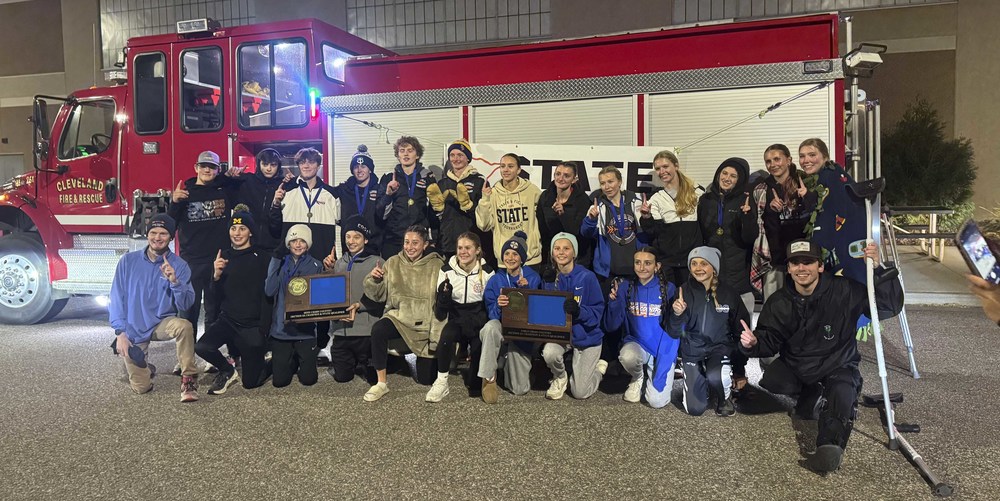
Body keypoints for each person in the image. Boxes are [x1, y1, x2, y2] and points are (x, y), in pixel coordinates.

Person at [739, 238, 902, 472]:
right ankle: (812, 393)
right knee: (773, 379)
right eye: (795, 263)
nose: (802, 268)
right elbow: (769, 342)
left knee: (843, 389)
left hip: (838, 363)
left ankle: (830, 446)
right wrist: (753, 343)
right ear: (789, 268)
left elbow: (887, 307)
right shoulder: (779, 301)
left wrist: (878, 268)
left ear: (820, 266)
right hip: (799, 366)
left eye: (808, 262)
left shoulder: (845, 289)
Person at [109, 214, 199, 402]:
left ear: (171, 237)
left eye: (163, 233)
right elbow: (117, 297)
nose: (157, 237)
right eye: (153, 232)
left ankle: (188, 378)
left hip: (162, 323)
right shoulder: (128, 261)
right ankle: (145, 367)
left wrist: (175, 282)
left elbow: (186, 305)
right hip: (134, 327)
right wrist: (120, 333)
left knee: (185, 326)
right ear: (147, 234)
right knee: (142, 388)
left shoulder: (179, 265)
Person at [362, 225, 446, 402]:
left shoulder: (437, 265)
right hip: (399, 318)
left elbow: (441, 305)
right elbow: (379, 295)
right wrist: (374, 280)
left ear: (425, 245)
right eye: (407, 242)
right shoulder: (392, 262)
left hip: (424, 325)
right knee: (379, 329)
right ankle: (381, 383)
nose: (410, 247)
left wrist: (435, 337)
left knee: (426, 380)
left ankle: (412, 360)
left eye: (415, 243)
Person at [271, 147, 340, 357]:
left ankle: (321, 344)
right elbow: (274, 226)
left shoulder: (331, 193)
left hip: (321, 256)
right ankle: (296, 340)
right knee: (295, 298)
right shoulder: (288, 191)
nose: (307, 166)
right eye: (303, 163)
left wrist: (335, 253)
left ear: (318, 166)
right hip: (295, 258)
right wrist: (275, 203)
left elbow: (338, 226)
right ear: (299, 166)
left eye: (311, 163)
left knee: (323, 302)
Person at [195, 206, 272, 394]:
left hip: (252, 325)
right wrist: (215, 276)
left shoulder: (263, 257)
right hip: (228, 321)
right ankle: (227, 369)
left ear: (250, 232)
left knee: (251, 383)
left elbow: (270, 295)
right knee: (202, 347)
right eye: (233, 229)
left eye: (242, 229)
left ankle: (271, 358)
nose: (237, 233)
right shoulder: (223, 258)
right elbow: (214, 298)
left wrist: (265, 328)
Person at [696, 157, 758, 390]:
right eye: (724, 173)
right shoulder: (706, 200)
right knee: (711, 324)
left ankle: (739, 369)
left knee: (740, 326)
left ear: (740, 180)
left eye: (733, 176)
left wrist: (746, 217)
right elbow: (703, 234)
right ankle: (710, 366)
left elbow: (750, 238)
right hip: (712, 276)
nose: (727, 178)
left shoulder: (745, 201)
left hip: (737, 275)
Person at [666, 246, 750, 417]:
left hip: (719, 349)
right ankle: (700, 379)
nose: (698, 268)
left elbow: (741, 332)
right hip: (692, 351)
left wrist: (740, 369)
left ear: (714, 267)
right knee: (695, 410)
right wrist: (677, 314)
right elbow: (674, 332)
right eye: (694, 263)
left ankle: (723, 397)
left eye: (704, 263)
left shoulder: (729, 293)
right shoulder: (683, 291)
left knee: (716, 376)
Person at [168, 150, 236, 351]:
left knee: (214, 310)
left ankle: (209, 352)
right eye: (204, 166)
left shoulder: (224, 190)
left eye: (212, 167)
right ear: (196, 168)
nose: (207, 170)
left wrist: (233, 174)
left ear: (217, 170)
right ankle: (186, 358)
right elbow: (171, 225)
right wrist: (174, 202)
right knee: (189, 310)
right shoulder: (185, 194)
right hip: (191, 262)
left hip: (217, 261)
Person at [603, 247, 680, 408]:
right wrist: (614, 303)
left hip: (661, 348)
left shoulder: (669, 289)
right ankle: (637, 377)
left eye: (647, 263)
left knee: (656, 402)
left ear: (657, 266)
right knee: (627, 355)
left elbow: (675, 329)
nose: (642, 267)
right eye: (638, 262)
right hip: (637, 344)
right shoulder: (625, 287)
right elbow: (611, 326)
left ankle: (654, 376)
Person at [427, 232, 494, 402]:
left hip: (478, 318)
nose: (463, 252)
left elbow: (490, 303)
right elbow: (442, 309)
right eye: (460, 248)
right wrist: (443, 297)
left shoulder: (487, 272)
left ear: (477, 250)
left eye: (468, 248)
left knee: (475, 387)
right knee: (446, 336)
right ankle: (441, 382)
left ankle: (480, 377)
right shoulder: (446, 270)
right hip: (457, 317)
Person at [478, 231, 543, 404]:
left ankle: (506, 363)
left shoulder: (533, 278)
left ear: (522, 258)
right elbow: (491, 314)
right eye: (507, 253)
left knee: (519, 389)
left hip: (521, 334)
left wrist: (528, 292)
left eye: (515, 254)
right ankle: (489, 378)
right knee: (490, 327)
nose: (511, 257)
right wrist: (498, 305)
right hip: (501, 328)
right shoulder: (495, 280)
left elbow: (538, 314)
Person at [541, 232, 607, 400]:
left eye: (566, 248)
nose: (561, 252)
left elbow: (598, 311)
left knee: (580, 393)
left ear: (574, 253)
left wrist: (579, 311)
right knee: (549, 352)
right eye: (557, 248)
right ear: (552, 253)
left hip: (586, 337)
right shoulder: (551, 277)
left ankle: (597, 370)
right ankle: (561, 377)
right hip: (563, 336)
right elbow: (547, 310)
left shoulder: (587, 277)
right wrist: (547, 284)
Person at [323, 216, 383, 383]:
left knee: (372, 378)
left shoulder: (377, 263)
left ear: (365, 239)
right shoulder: (339, 263)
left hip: (365, 330)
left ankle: (378, 359)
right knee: (342, 378)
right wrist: (328, 271)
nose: (351, 241)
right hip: (342, 331)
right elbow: (331, 294)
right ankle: (353, 361)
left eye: (356, 237)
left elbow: (382, 297)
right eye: (348, 236)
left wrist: (360, 306)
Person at [263, 224, 324, 388]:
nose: (297, 244)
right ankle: (283, 360)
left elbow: (319, 299)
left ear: (308, 244)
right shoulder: (280, 262)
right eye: (294, 240)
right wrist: (275, 260)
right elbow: (269, 291)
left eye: (302, 241)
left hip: (305, 331)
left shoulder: (316, 265)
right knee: (280, 382)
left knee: (309, 379)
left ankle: (298, 357)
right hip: (281, 331)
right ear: (287, 244)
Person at [759, 144, 817, 300]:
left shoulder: (805, 180)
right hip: (776, 261)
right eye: (768, 161)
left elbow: (818, 214)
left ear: (789, 160)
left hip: (803, 259)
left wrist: (808, 197)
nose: (772, 164)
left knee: (804, 304)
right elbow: (761, 225)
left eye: (777, 159)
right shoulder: (762, 188)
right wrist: (771, 210)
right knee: (774, 305)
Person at [645, 150, 704, 287]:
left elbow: (705, 225)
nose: (662, 171)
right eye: (658, 169)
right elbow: (653, 232)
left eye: (665, 166)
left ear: (676, 166)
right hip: (668, 264)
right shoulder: (656, 198)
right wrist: (646, 217)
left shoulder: (697, 192)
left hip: (692, 262)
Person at [476, 153, 543, 269]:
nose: (505, 170)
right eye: (502, 166)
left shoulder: (531, 190)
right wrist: (485, 200)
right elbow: (484, 225)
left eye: (510, 166)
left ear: (519, 170)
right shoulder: (493, 194)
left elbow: (544, 215)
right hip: (505, 260)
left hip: (530, 260)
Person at [376, 136, 437, 259]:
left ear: (417, 155)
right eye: (402, 151)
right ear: (398, 155)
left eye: (410, 150)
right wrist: (388, 194)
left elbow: (433, 211)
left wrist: (434, 238)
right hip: (394, 239)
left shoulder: (427, 177)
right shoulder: (388, 178)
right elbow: (379, 213)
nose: (406, 154)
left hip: (418, 239)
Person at [428, 139, 486, 259]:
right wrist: (437, 210)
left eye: (460, 155)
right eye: (452, 155)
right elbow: (433, 218)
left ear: (468, 158)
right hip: (447, 243)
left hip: (471, 243)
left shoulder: (479, 181)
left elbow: (484, 217)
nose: (456, 159)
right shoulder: (442, 183)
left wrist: (469, 207)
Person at [537, 161, 593, 269]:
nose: (561, 178)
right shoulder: (545, 197)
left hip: (578, 259)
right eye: (558, 174)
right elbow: (542, 229)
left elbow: (580, 232)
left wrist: (563, 215)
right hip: (552, 258)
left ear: (574, 179)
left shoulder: (583, 200)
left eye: (566, 176)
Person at [331, 145, 383, 255]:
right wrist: (293, 182)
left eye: (363, 166)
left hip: (373, 248)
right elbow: (322, 190)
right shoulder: (344, 190)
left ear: (370, 170)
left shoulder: (379, 190)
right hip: (350, 247)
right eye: (356, 167)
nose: (359, 170)